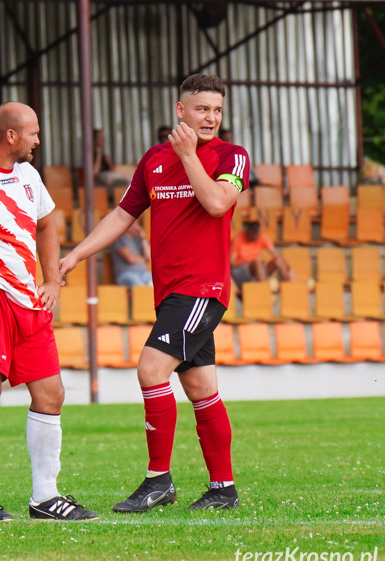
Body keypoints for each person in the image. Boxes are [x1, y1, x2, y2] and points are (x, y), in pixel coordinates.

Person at [60, 74, 250, 512]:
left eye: (217, 110)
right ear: (180, 111)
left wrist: (189, 157)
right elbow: (122, 215)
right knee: (202, 388)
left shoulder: (230, 156)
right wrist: (76, 255)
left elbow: (218, 203)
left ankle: (157, 480)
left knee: (150, 370)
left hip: (204, 289)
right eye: (202, 109)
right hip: (170, 293)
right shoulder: (154, 159)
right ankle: (224, 489)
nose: (211, 117)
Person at [0, 102, 98, 523]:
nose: (38, 139)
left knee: (52, 394)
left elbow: (47, 223)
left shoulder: (29, 176)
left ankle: (45, 498)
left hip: (29, 302)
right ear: (10, 136)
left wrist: (51, 281)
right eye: (32, 132)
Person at [230, 219, 293, 286]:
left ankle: (289, 286)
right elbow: (232, 263)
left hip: (257, 269)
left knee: (278, 261)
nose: (256, 237)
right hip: (240, 271)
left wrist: (288, 268)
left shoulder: (260, 237)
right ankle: (263, 290)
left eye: (258, 234)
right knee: (257, 261)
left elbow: (276, 255)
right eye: (254, 233)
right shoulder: (238, 239)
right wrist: (250, 262)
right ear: (248, 231)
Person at [110, 220, 152, 287]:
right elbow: (131, 259)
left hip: (144, 274)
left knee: (156, 285)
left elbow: (149, 257)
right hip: (126, 274)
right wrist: (145, 259)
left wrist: (143, 238)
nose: (136, 226)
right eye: (134, 223)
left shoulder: (138, 239)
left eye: (137, 223)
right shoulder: (119, 238)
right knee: (140, 289)